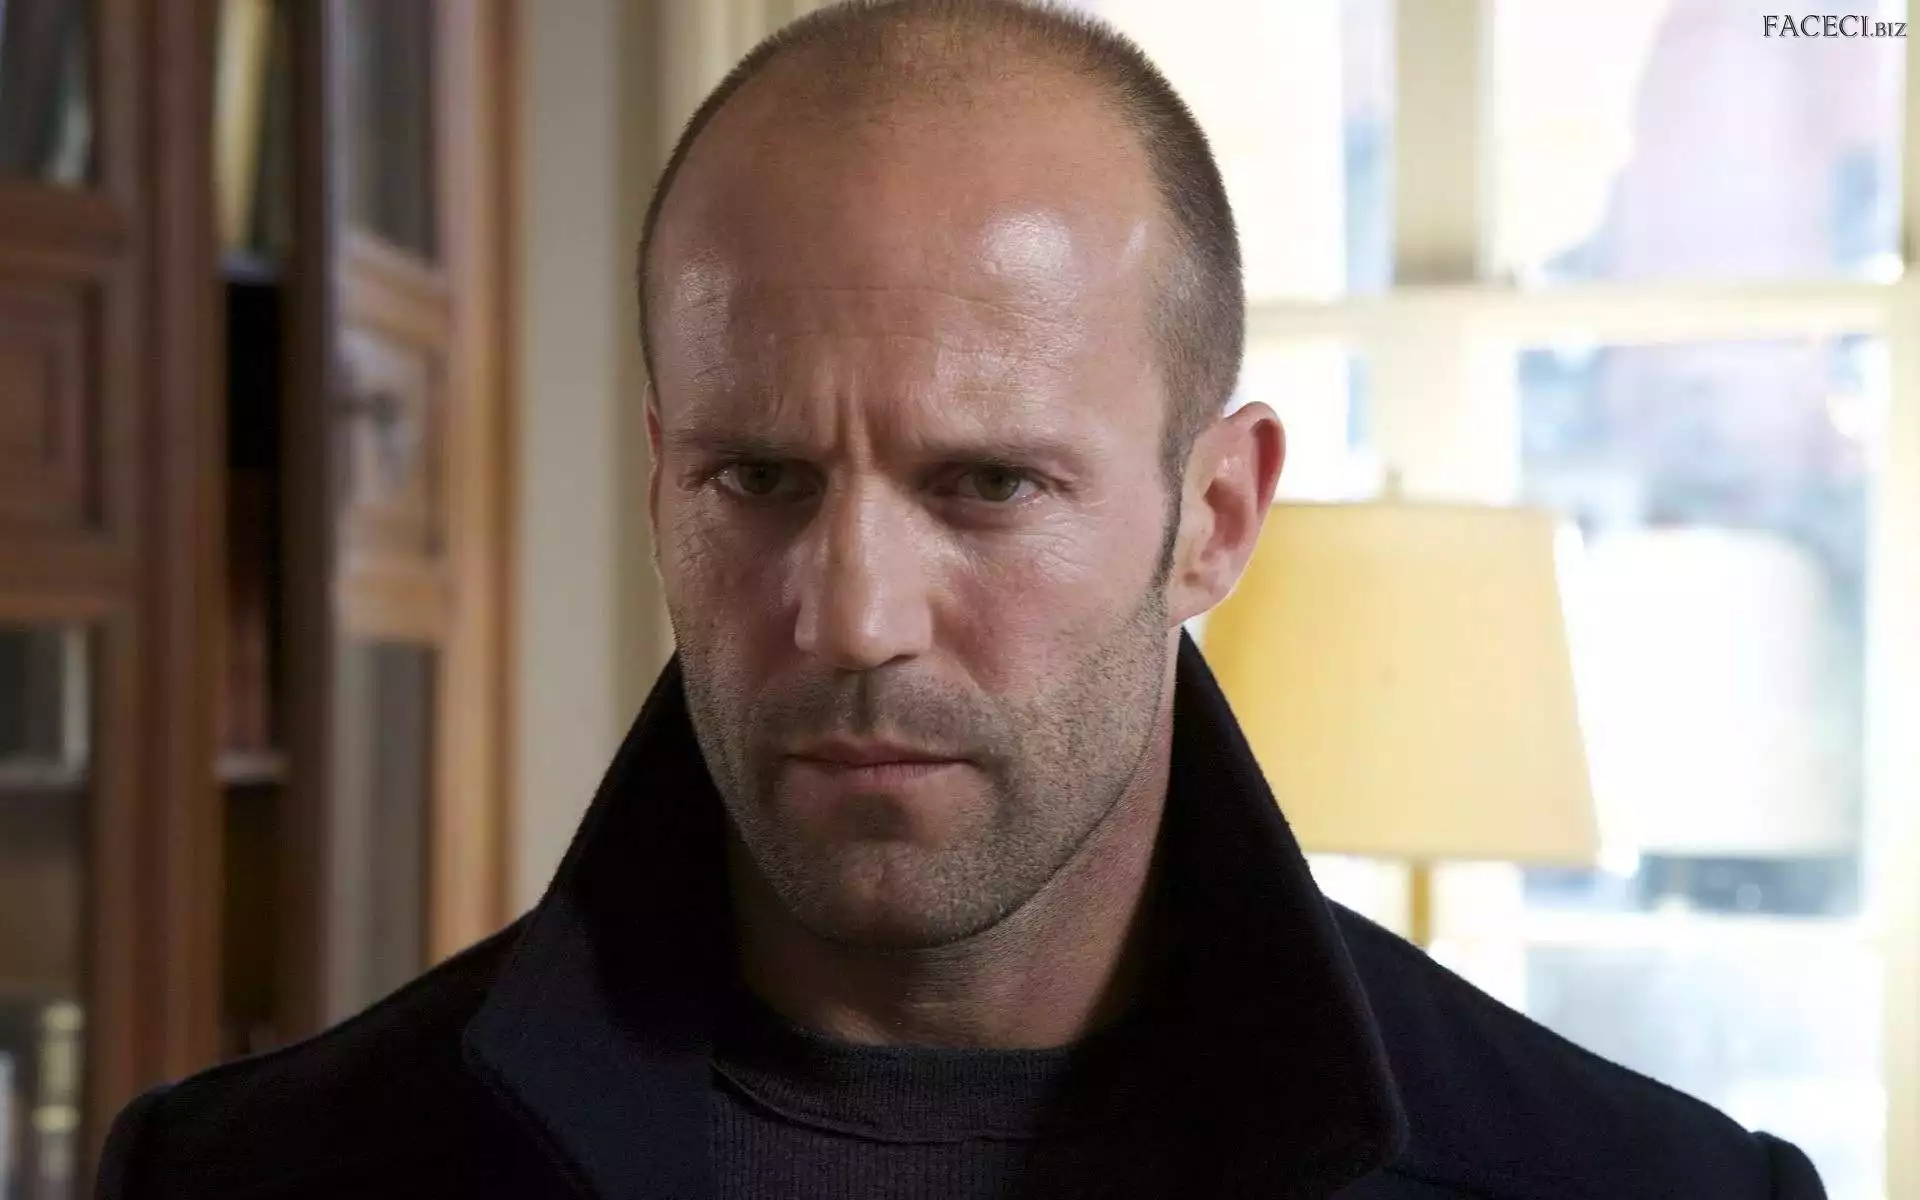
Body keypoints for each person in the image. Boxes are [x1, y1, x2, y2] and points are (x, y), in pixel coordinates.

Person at [97, 1, 1827, 1197]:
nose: (855, 617)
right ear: (661, 484)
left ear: (1216, 517)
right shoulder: (249, 1184)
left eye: (987, 485)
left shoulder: (1649, 1194)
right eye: (758, 480)